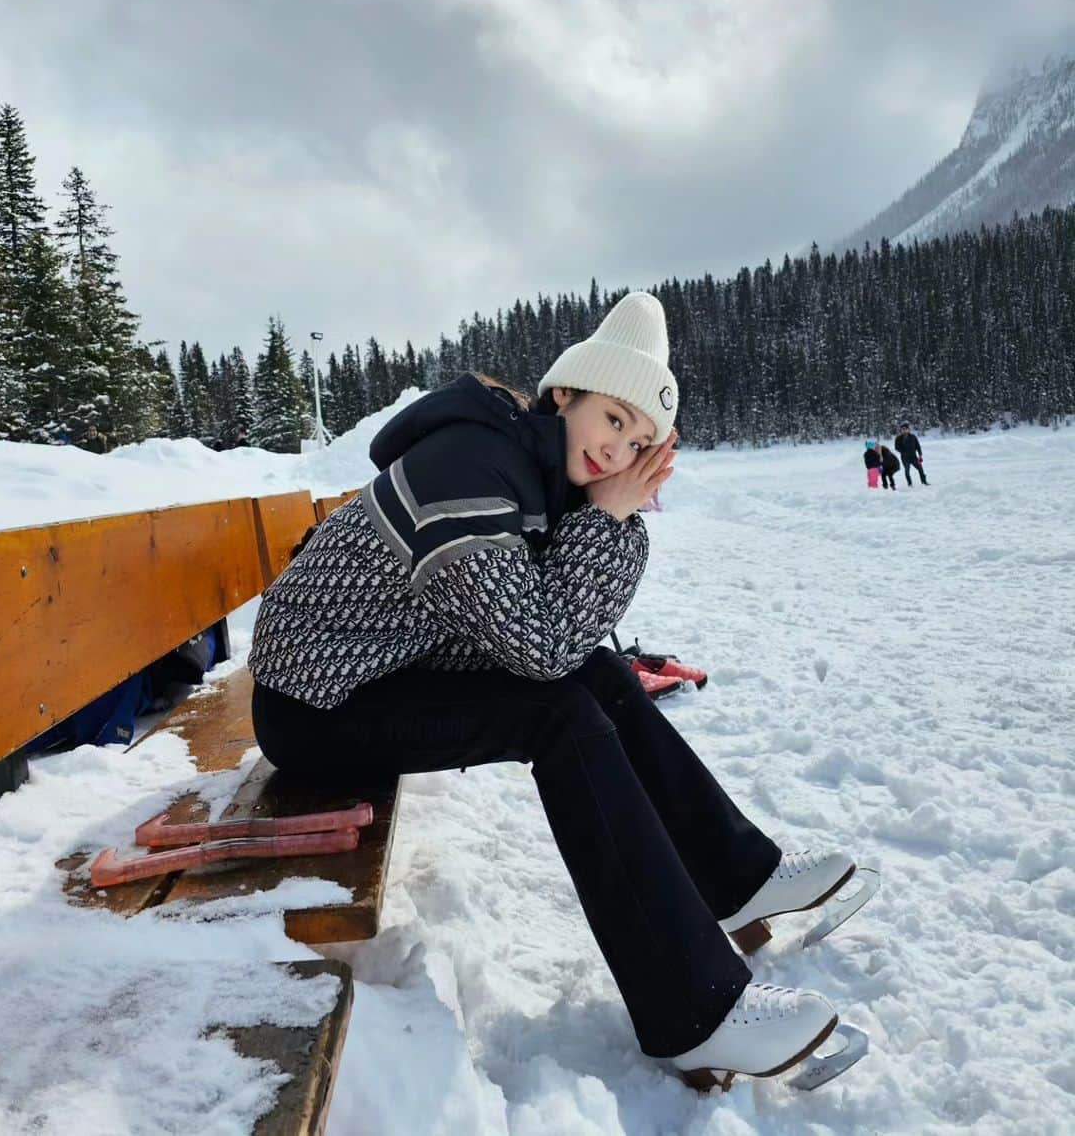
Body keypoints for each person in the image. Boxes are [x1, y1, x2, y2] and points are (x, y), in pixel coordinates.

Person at [248, 292, 856, 1088]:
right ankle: (695, 1012)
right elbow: (537, 649)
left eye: (640, 441)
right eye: (613, 420)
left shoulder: (530, 468)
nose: (618, 451)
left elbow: (560, 641)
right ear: (564, 395)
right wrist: (607, 520)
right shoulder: (466, 465)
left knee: (596, 676)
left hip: (382, 671)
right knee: (559, 713)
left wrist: (606, 519)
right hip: (316, 706)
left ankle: (735, 880)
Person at [895, 422, 928, 486]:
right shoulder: (898, 438)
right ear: (901, 430)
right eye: (902, 429)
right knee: (907, 471)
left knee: (920, 468)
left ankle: (924, 482)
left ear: (908, 429)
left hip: (914, 456)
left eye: (905, 429)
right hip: (905, 457)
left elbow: (918, 446)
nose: (904, 430)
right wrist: (903, 451)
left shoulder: (913, 437)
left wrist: (920, 454)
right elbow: (896, 447)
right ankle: (910, 484)